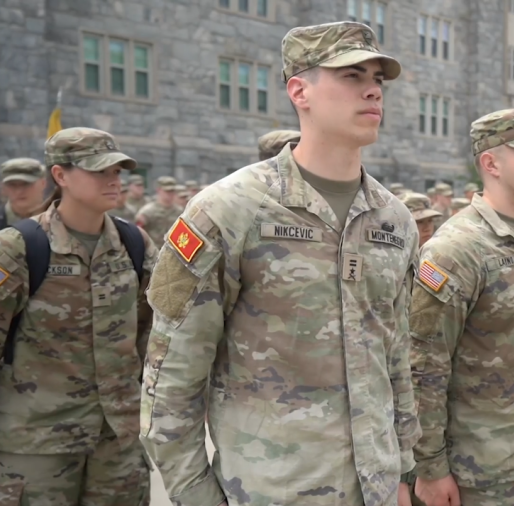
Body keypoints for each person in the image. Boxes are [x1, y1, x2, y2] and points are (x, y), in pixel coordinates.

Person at [140, 21, 420, 506]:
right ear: (299, 91)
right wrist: (196, 495)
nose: (373, 89)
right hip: (271, 490)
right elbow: (171, 378)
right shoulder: (230, 209)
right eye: (351, 76)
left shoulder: (394, 220)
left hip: (375, 490)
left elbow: (393, 357)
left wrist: (404, 469)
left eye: (377, 78)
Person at [410, 108, 514, 506]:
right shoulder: (456, 249)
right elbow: (424, 365)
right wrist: (430, 467)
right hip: (484, 471)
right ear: (490, 163)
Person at [0, 127, 156, 505]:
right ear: (60, 175)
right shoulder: (19, 248)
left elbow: (150, 334)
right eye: (99, 171)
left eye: (117, 171)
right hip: (37, 444)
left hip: (117, 441)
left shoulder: (133, 244)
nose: (113, 180)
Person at [135, 176, 181, 246]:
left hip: (174, 251)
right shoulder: (147, 211)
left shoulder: (180, 211)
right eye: (167, 191)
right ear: (158, 190)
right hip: (154, 251)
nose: (170, 194)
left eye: (172, 191)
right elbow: (138, 234)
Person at [0, 158, 47, 228]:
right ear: (3, 187)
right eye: (12, 185)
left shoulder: (62, 219)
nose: (19, 191)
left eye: (26, 184)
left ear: (43, 183)